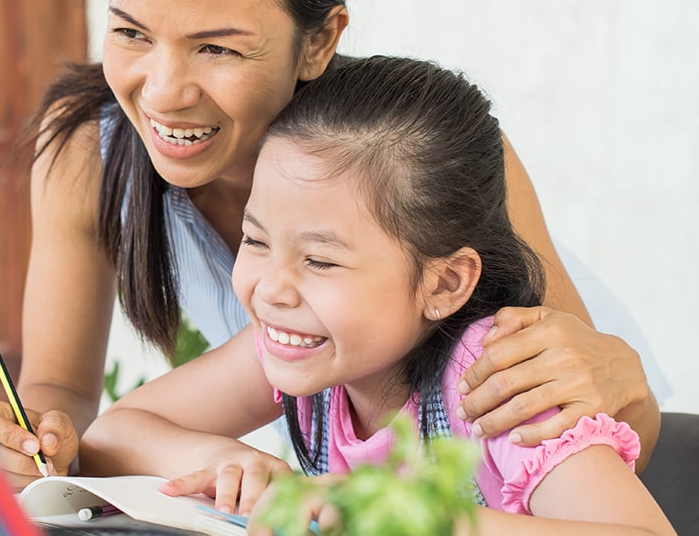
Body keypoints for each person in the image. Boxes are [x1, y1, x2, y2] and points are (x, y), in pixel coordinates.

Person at [0, 0, 660, 489]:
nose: (160, 91)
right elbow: (68, 401)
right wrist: (38, 439)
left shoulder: (417, 154)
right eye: (131, 31)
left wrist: (620, 380)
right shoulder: (85, 149)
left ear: (320, 41)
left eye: (215, 48)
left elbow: (591, 420)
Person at [80, 56, 675, 534]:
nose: (271, 287)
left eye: (320, 259)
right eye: (256, 240)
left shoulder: (498, 382)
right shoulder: (306, 352)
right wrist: (217, 460)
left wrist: (416, 516)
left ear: (443, 283)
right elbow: (112, 435)